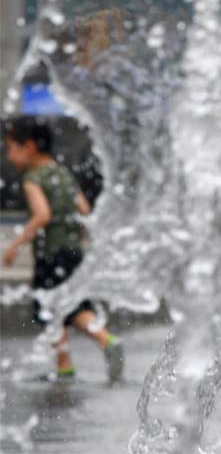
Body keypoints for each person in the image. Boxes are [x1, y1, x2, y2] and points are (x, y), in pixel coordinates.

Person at [2, 117, 124, 383]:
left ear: (30, 147)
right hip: (72, 251)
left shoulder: (33, 179)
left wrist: (15, 244)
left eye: (11, 148)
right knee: (74, 305)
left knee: (50, 307)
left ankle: (82, 353)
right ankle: (91, 348)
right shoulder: (62, 172)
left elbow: (42, 215)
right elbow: (84, 209)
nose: (9, 156)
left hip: (50, 254)